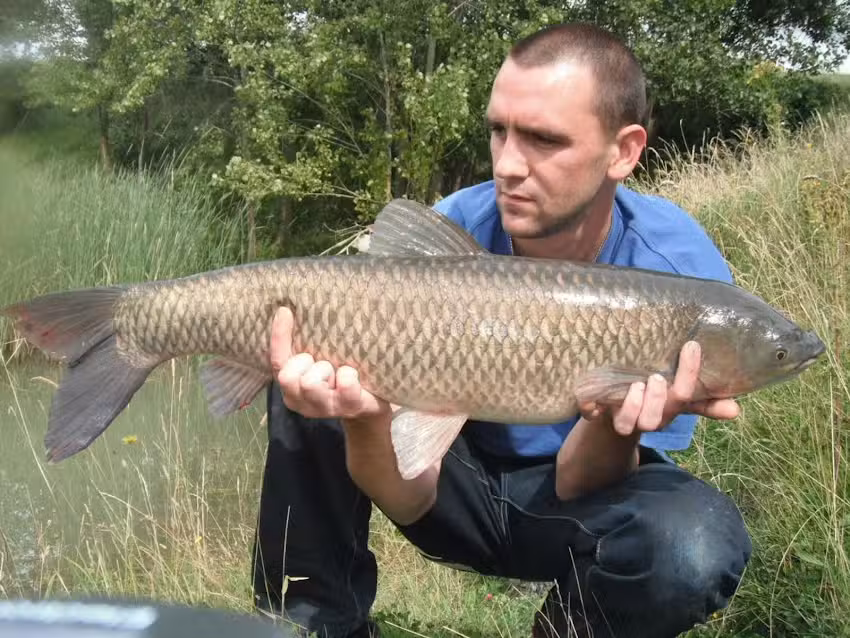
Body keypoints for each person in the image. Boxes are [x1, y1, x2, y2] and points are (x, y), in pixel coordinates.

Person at [251, 22, 753, 638]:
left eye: (543, 139)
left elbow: (576, 481)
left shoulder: (678, 275)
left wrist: (611, 421)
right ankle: (311, 627)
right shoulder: (457, 227)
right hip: (443, 478)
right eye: (499, 131)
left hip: (578, 503)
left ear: (623, 151)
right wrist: (361, 414)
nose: (508, 165)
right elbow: (411, 494)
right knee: (316, 357)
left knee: (693, 544)